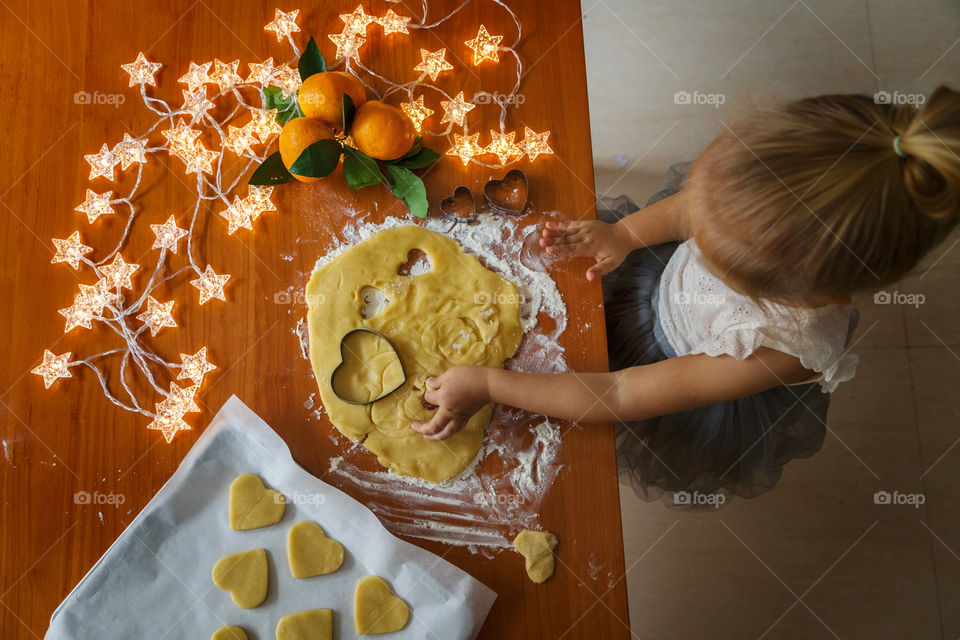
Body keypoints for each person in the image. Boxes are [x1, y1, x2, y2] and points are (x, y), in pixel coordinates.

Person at [411, 86, 960, 503]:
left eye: (718, 249)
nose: (700, 223)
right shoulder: (761, 184)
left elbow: (620, 394)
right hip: (647, 276)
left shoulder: (784, 348)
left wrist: (488, 382)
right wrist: (627, 235)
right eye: (708, 215)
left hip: (666, 362)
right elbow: (683, 211)